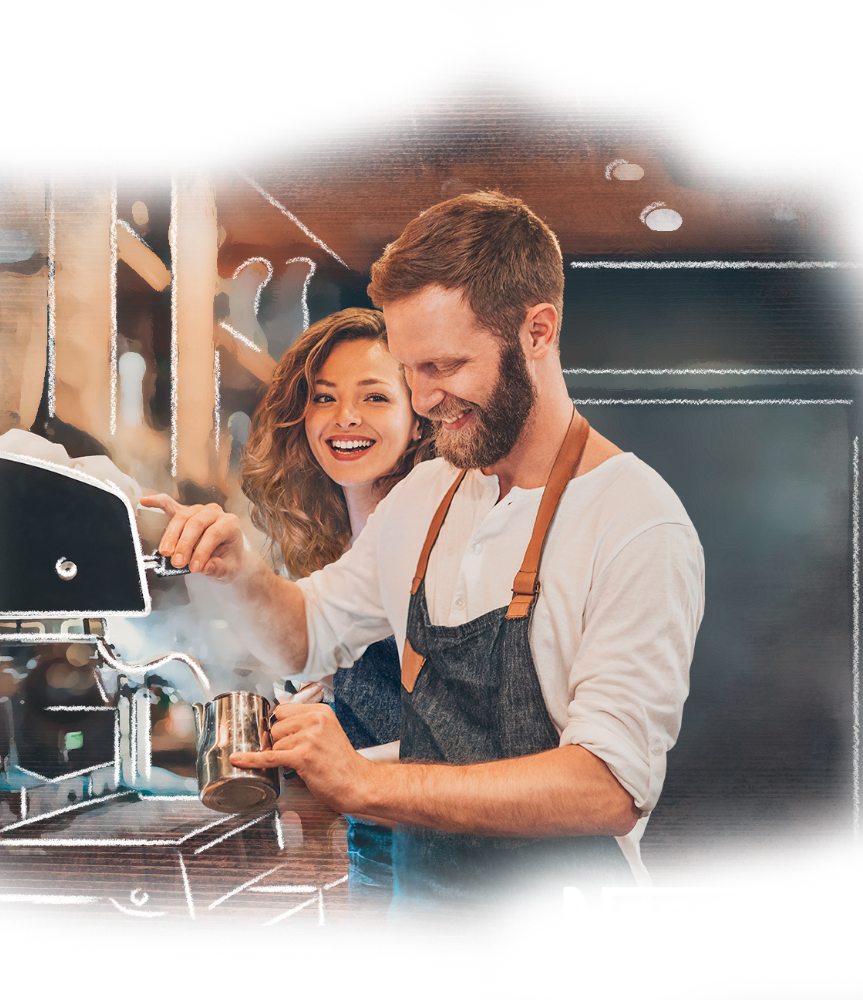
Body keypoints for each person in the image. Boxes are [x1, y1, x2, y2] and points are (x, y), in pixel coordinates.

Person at [142, 191, 705, 939]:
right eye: (412, 369)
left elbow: (607, 789)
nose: (425, 399)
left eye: (446, 366)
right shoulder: (428, 496)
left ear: (538, 331)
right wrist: (240, 570)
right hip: (424, 924)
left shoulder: (636, 521)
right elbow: (305, 636)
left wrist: (368, 785)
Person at [235, 307, 433, 926]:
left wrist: (343, 764)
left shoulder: (437, 531)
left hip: (445, 844)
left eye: (374, 396)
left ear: (417, 415)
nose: (345, 417)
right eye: (325, 398)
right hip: (374, 842)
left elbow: (480, 743)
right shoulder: (332, 546)